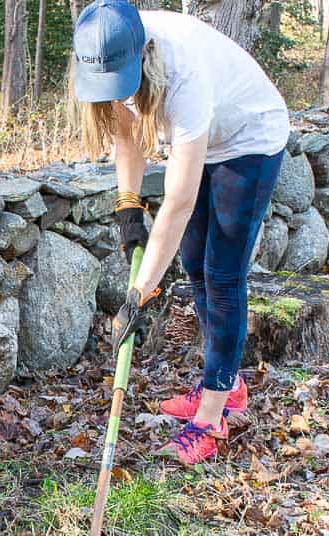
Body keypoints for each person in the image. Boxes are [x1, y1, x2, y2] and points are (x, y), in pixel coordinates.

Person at [72, 0, 289, 465]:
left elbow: (178, 201)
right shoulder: (108, 48)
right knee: (193, 263)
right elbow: (127, 135)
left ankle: (212, 416)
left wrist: (140, 291)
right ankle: (227, 380)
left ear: (142, 56)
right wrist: (128, 204)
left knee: (222, 272)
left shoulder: (182, 70)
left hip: (248, 140)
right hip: (206, 143)